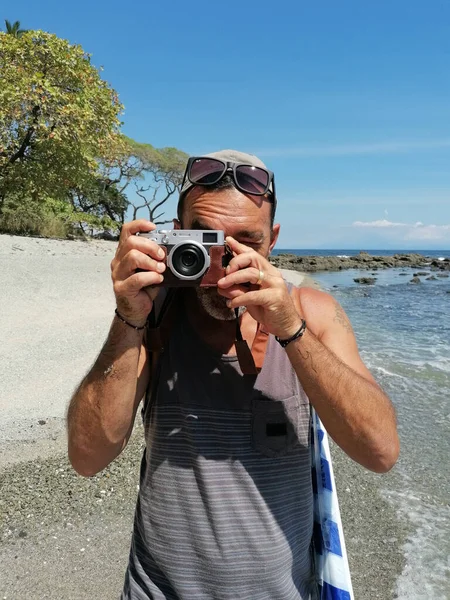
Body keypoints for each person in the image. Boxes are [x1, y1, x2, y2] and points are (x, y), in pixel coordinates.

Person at [67, 149, 400, 600]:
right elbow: (88, 457)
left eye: (248, 242)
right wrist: (127, 316)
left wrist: (289, 329)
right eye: (209, 240)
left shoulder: (313, 314)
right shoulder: (156, 315)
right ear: (176, 237)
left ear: (274, 240)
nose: (227, 261)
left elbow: (380, 451)